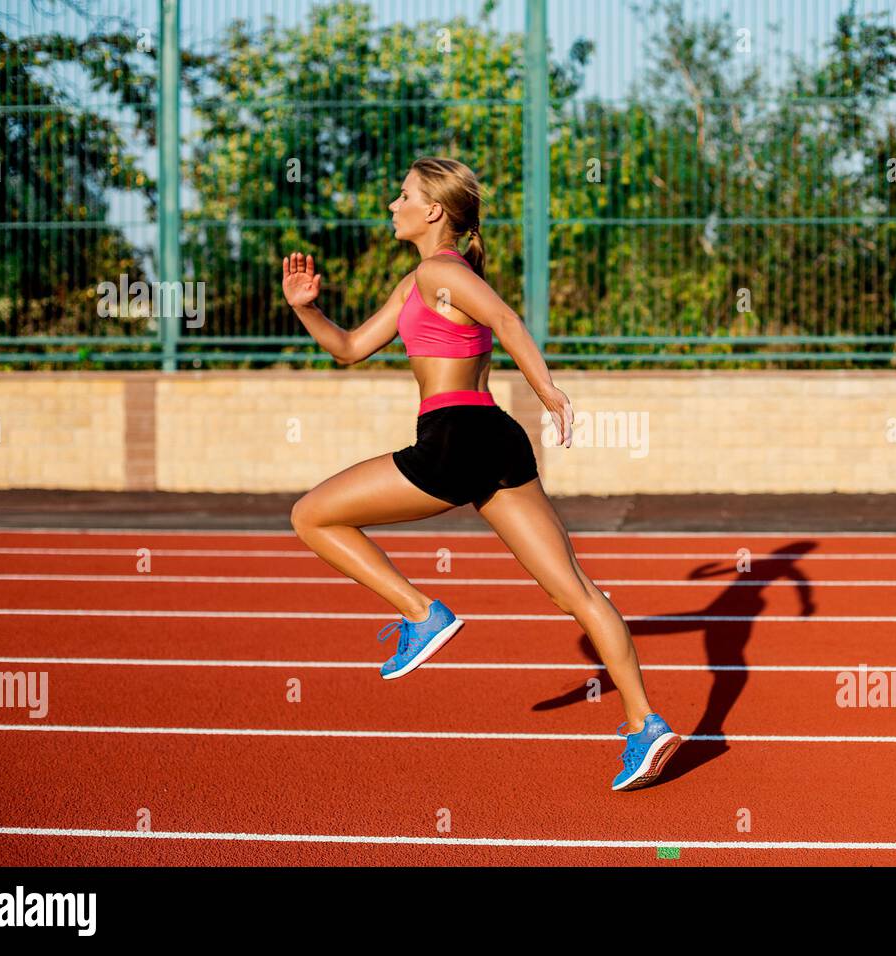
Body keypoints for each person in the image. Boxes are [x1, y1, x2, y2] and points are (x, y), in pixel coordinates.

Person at [280, 156, 681, 791]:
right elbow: (350, 348)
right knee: (575, 590)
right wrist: (305, 309)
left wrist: (548, 392)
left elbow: (506, 320)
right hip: (495, 439)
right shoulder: (418, 283)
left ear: (432, 211)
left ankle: (420, 613)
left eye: (403, 194)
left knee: (310, 515)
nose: (393, 204)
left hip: (453, 438)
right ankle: (644, 724)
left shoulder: (440, 271)